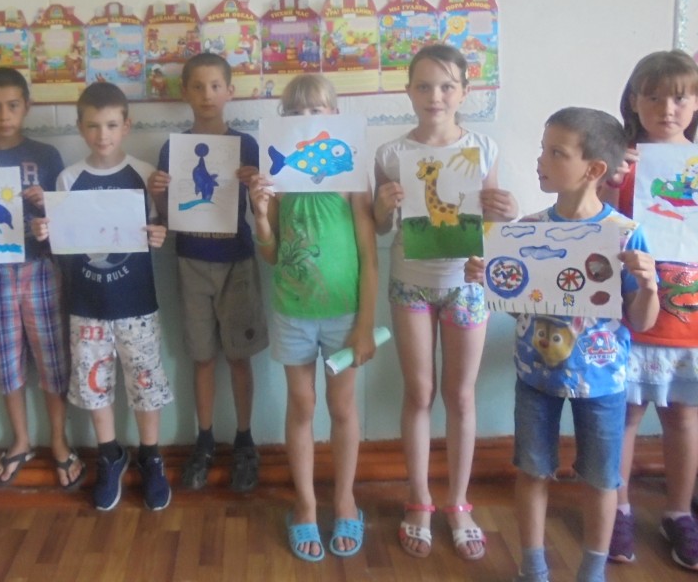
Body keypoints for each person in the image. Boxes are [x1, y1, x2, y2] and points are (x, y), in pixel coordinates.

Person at [466, 106, 659, 582]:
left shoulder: (625, 234)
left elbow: (640, 321)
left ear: (594, 169)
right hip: (537, 375)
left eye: (557, 153)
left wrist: (650, 286)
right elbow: (518, 308)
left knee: (602, 478)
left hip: (603, 380)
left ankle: (592, 572)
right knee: (533, 471)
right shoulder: (528, 228)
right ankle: (533, 568)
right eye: (543, 149)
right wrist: (490, 280)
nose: (541, 160)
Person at [373, 44, 519, 561]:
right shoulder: (390, 154)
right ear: (408, 90)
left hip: (467, 286)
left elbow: (491, 224)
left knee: (460, 396)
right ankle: (419, 499)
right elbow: (379, 227)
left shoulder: (483, 147)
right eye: (424, 86)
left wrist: (506, 211)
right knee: (419, 392)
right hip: (410, 283)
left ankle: (458, 502)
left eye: (446, 86)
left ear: (464, 91)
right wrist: (382, 205)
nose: (435, 96)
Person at [247, 74, 378, 562]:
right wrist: (261, 215)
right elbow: (271, 255)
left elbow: (369, 256)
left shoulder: (353, 177)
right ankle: (304, 503)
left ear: (334, 117)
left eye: (316, 110)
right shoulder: (278, 181)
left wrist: (365, 325)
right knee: (301, 405)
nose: (305, 118)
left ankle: (344, 499)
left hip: (343, 314)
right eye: (295, 112)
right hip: (293, 313)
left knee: (342, 408)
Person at [32, 81, 174, 511]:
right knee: (94, 385)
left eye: (111, 125)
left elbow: (159, 228)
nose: (102, 134)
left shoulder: (143, 173)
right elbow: (62, 244)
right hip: (87, 306)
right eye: (93, 125)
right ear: (80, 127)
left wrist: (159, 232)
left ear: (126, 126)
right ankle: (110, 455)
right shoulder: (68, 178)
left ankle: (150, 456)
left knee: (146, 383)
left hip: (137, 303)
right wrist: (45, 232)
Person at [0, 67, 83, 490]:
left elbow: (65, 219)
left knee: (53, 360)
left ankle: (59, 440)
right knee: (6, 361)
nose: (3, 115)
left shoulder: (46, 155)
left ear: (27, 106)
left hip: (40, 268)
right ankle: (21, 439)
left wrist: (47, 204)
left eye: (12, 105)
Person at [147, 52, 268, 493]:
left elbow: (260, 210)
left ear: (230, 91)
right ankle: (204, 440)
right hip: (191, 260)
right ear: (185, 93)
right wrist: (157, 193)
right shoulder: (172, 148)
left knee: (238, 356)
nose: (207, 95)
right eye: (197, 86)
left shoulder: (247, 145)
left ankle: (244, 440)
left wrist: (256, 186)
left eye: (215, 86)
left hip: (237, 261)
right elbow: (169, 217)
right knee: (201, 357)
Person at [601, 50, 698, 570]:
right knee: (626, 415)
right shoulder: (623, 164)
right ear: (634, 102)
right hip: (631, 315)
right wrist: (607, 182)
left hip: (688, 319)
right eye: (654, 97)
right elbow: (592, 225)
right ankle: (618, 508)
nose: (667, 108)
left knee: (683, 415)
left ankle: (679, 512)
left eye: (680, 97)